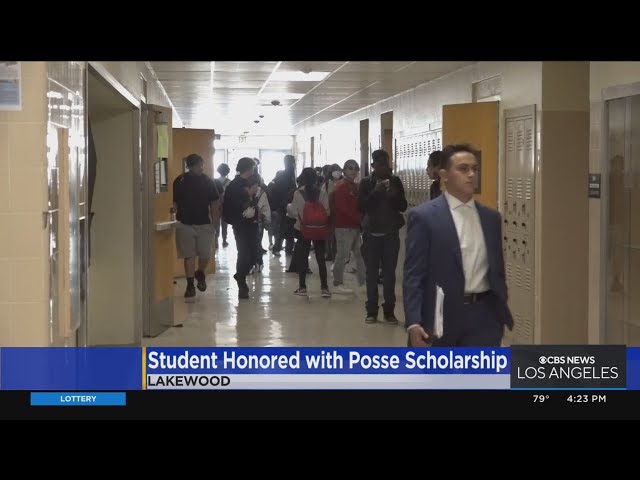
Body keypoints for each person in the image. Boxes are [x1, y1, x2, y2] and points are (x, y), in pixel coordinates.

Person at [403, 144, 514, 347]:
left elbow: (497, 269)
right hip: (440, 315)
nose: (471, 174)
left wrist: (498, 310)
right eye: (463, 169)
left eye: (475, 169)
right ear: (444, 175)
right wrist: (413, 322)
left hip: (484, 316)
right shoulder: (424, 217)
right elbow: (414, 275)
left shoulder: (491, 218)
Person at [358, 150, 407, 324]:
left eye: (386, 164)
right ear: (373, 166)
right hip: (371, 235)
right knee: (371, 275)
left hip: (390, 235)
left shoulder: (395, 181)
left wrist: (393, 195)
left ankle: (389, 311)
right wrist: (375, 192)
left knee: (389, 275)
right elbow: (361, 206)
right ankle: (371, 311)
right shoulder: (366, 183)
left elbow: (403, 206)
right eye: (380, 165)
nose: (384, 168)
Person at [173, 153, 221, 301]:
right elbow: (174, 202)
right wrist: (173, 217)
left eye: (202, 164)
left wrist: (215, 224)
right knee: (189, 255)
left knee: (205, 254)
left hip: (204, 223)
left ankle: (200, 272)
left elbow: (214, 203)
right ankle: (190, 286)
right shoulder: (180, 181)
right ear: (190, 166)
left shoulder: (208, 181)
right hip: (184, 223)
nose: (201, 167)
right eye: (199, 165)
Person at [290, 167, 331, 297]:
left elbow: (294, 212)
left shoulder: (298, 193)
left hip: (303, 229)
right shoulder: (322, 192)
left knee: (303, 258)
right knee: (320, 258)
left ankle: (302, 287)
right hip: (319, 229)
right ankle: (324, 288)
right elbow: (327, 211)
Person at [222, 157, 257, 299]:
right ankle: (242, 282)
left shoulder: (248, 182)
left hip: (252, 223)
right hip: (240, 224)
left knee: (254, 253)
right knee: (244, 252)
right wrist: (248, 195)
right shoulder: (235, 185)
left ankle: (240, 275)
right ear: (249, 168)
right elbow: (233, 204)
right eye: (253, 167)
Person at [331, 159, 365, 293]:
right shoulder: (341, 187)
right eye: (350, 168)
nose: (353, 171)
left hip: (354, 226)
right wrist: (359, 219)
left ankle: (362, 281)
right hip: (344, 226)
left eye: (356, 169)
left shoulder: (355, 187)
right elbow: (342, 208)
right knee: (343, 255)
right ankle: (337, 282)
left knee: (359, 254)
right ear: (344, 170)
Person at [215, 163, 232, 247]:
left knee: (216, 223)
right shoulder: (229, 182)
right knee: (224, 224)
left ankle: (216, 241)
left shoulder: (215, 181)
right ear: (227, 172)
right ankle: (224, 241)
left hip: (216, 204)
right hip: (226, 204)